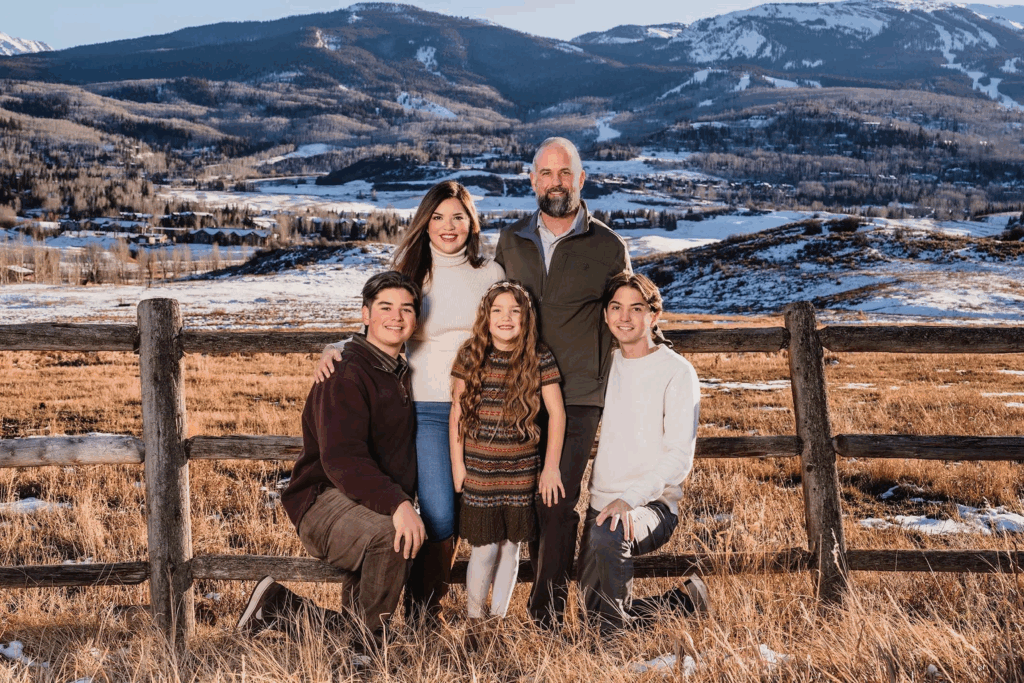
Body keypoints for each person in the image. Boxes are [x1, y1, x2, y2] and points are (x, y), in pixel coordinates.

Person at [315, 181, 504, 621]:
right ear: (424, 222)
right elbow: (382, 322)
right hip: (424, 410)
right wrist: (338, 347)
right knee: (437, 513)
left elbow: (509, 328)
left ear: (472, 222)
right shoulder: (413, 273)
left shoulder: (491, 275)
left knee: (465, 514)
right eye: (437, 217)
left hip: (478, 411)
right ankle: (424, 613)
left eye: (458, 216)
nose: (448, 226)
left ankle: (424, 610)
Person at [237, 271, 424, 644]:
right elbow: (342, 459)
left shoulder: (400, 371)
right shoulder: (345, 371)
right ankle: (367, 648)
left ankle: (276, 608)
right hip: (321, 500)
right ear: (365, 315)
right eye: (385, 307)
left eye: (407, 308)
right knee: (393, 536)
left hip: (362, 501)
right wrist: (399, 504)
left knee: (384, 547)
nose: (397, 316)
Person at [493, 136, 630, 627]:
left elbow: (629, 312)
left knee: (556, 503)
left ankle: (546, 617)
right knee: (527, 501)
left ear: (581, 179)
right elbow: (489, 309)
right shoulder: (511, 241)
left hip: (577, 397)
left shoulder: (608, 246)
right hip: (521, 394)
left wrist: (658, 354)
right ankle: (516, 607)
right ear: (532, 180)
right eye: (546, 173)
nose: (556, 183)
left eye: (565, 173)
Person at [577, 272, 708, 633]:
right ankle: (682, 603)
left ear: (653, 315)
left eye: (636, 308)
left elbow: (680, 457)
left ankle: (614, 646)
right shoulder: (607, 365)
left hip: (652, 507)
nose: (624, 317)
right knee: (591, 613)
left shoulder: (677, 372)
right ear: (606, 316)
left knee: (609, 533)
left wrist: (629, 500)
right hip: (600, 503)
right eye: (616, 308)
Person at [449, 281, 566, 632]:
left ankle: (497, 621)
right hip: (481, 471)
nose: (506, 317)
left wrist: (550, 468)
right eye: (497, 310)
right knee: (484, 548)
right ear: (486, 318)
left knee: (511, 547)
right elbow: (456, 414)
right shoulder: (470, 355)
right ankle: (474, 618)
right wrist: (458, 464)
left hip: (521, 470)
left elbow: (557, 415)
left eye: (515, 311)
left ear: (526, 319)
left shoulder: (539, 357)